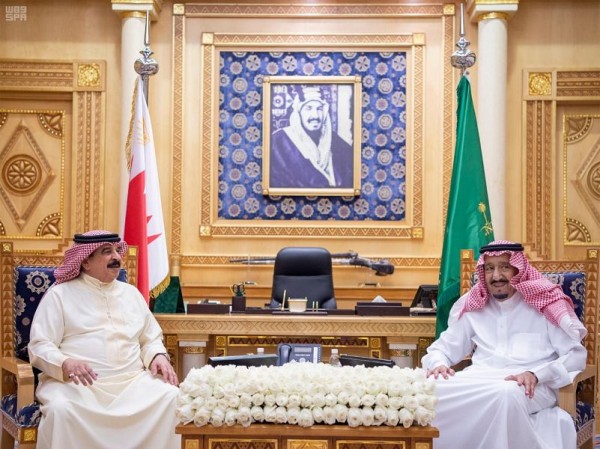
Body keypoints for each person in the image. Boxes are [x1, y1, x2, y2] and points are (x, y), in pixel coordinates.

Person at [422, 240, 587, 449]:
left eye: (504, 267)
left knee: (506, 394)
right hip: (480, 379)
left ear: (519, 269)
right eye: (489, 268)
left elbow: (575, 356)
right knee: (430, 389)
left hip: (532, 385)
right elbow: (441, 349)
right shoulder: (475, 305)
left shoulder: (546, 304)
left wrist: (537, 374)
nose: (496, 276)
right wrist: (439, 364)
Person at [28, 230, 180, 449]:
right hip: (78, 385)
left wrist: (158, 355)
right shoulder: (59, 295)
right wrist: (65, 363)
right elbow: (40, 345)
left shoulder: (131, 294)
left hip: (132, 382)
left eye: (117, 251)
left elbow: (150, 338)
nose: (116, 257)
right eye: (107, 252)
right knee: (60, 409)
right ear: (85, 261)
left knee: (171, 397)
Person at [269, 85, 354, 189]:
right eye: (308, 108)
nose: (315, 116)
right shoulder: (278, 142)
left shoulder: (335, 141)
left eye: (319, 109)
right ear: (298, 113)